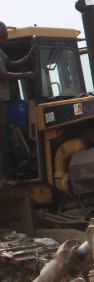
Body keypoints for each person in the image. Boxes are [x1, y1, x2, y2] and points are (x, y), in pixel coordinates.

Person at [0, 22, 36, 177]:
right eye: (3, 36)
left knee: (12, 132)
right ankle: (5, 177)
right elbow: (3, 74)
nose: (5, 39)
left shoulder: (0, 52)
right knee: (4, 139)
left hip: (5, 100)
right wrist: (26, 75)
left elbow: (11, 64)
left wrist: (29, 57)